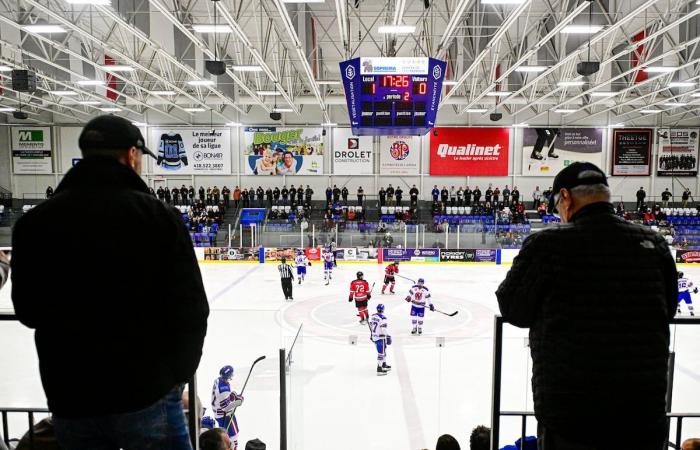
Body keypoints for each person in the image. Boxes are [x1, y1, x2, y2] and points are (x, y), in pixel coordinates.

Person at [11, 115, 209, 449]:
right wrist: (174, 379)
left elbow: (28, 310)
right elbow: (191, 308)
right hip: (147, 391)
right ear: (132, 155)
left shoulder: (34, 224)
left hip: (72, 395)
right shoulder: (159, 218)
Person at [496, 162, 677, 450]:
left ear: (565, 197)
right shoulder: (652, 243)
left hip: (572, 417)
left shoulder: (547, 245)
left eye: (556, 204)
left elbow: (513, 308)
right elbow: (668, 307)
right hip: (643, 416)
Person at [211, 365, 243, 450]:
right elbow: (226, 408)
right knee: (233, 438)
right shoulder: (223, 391)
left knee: (225, 436)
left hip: (218, 413)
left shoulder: (218, 380)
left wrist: (232, 395)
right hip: (225, 415)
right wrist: (238, 402)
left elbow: (224, 397)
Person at [370, 303, 392, 376]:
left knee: (383, 350)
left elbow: (371, 325)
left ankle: (383, 364)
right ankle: (379, 369)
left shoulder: (373, 316)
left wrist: (372, 334)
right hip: (380, 337)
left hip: (374, 336)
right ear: (383, 309)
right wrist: (388, 336)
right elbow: (383, 329)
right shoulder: (383, 318)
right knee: (381, 353)